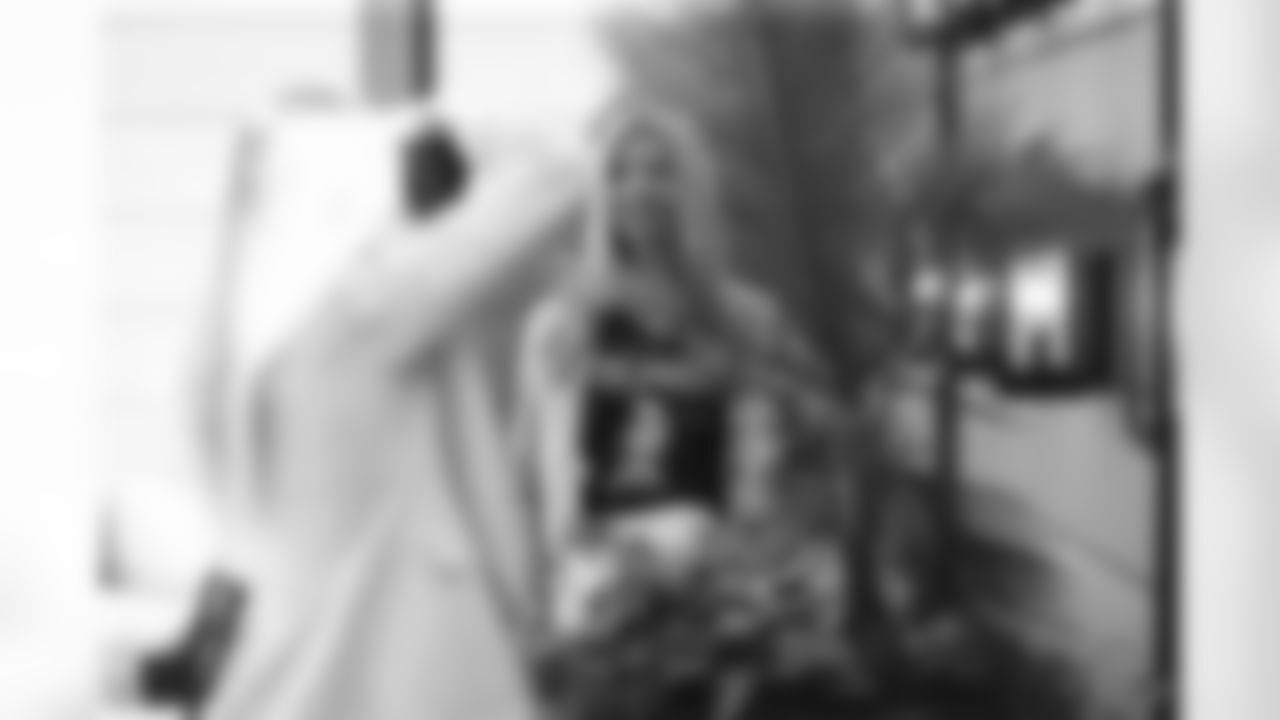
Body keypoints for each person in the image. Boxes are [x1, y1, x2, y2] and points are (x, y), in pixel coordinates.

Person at [188, 98, 589, 720]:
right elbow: (559, 171)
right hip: (400, 640)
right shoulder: (367, 297)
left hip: (301, 632)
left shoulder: (243, 334)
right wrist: (441, 119)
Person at [513, 105, 836, 641]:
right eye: (619, 171)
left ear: (693, 190)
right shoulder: (558, 327)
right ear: (598, 193)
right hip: (596, 599)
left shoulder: (747, 320)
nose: (639, 187)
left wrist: (768, 543)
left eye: (661, 169)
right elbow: (526, 478)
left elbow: (815, 444)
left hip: (725, 603)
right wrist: (529, 613)